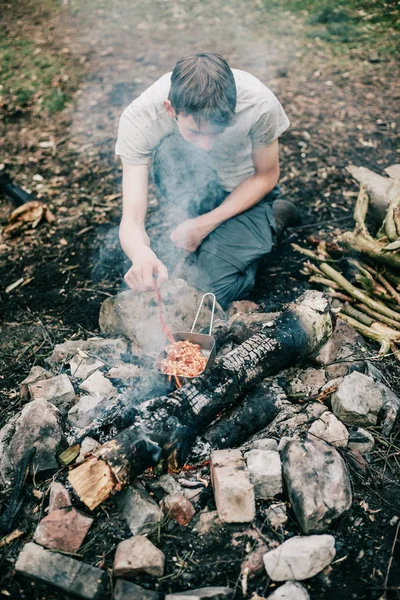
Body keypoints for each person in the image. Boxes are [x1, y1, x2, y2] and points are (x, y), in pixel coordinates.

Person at [116, 52, 299, 309]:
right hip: (191, 188)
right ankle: (231, 234)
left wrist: (203, 225)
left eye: (217, 133)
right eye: (195, 131)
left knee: (208, 295)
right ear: (171, 109)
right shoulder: (140, 119)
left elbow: (266, 175)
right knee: (170, 150)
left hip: (242, 191)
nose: (206, 145)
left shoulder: (258, 103)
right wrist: (140, 253)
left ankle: (273, 218)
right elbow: (132, 219)